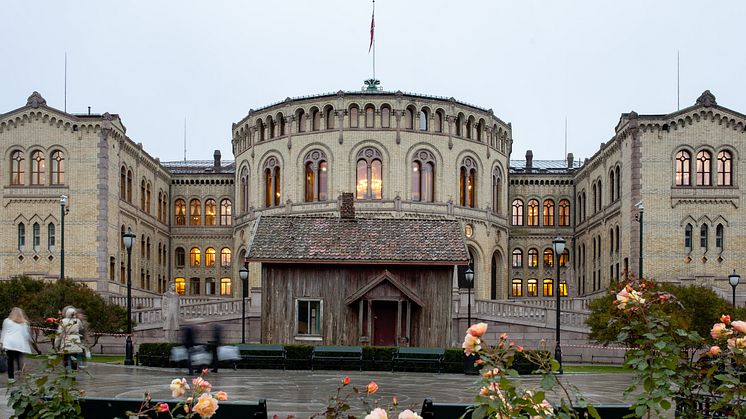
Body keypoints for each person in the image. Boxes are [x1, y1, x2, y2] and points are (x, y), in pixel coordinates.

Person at [0, 307, 34, 379]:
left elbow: (4, 332)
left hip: (9, 343)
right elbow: (26, 335)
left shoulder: (6, 321)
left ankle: (11, 378)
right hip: (20, 344)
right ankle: (21, 374)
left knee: (10, 360)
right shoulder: (24, 323)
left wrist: (1, 343)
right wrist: (29, 343)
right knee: (20, 358)